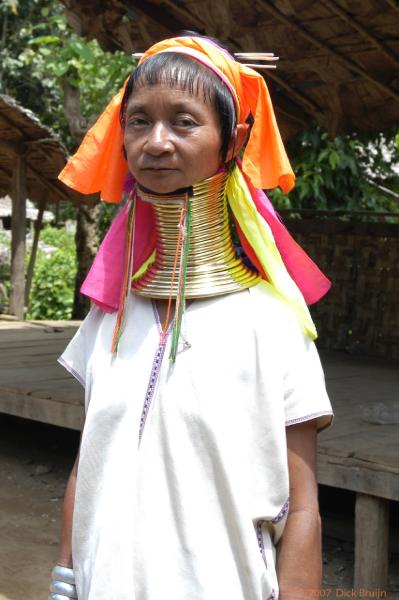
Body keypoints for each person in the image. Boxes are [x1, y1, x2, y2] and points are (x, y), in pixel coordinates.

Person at [49, 33, 333, 600]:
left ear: (235, 139)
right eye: (138, 121)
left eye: (184, 121)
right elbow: (88, 467)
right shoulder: (110, 318)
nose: (156, 143)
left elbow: (301, 510)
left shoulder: (274, 326)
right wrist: (64, 579)